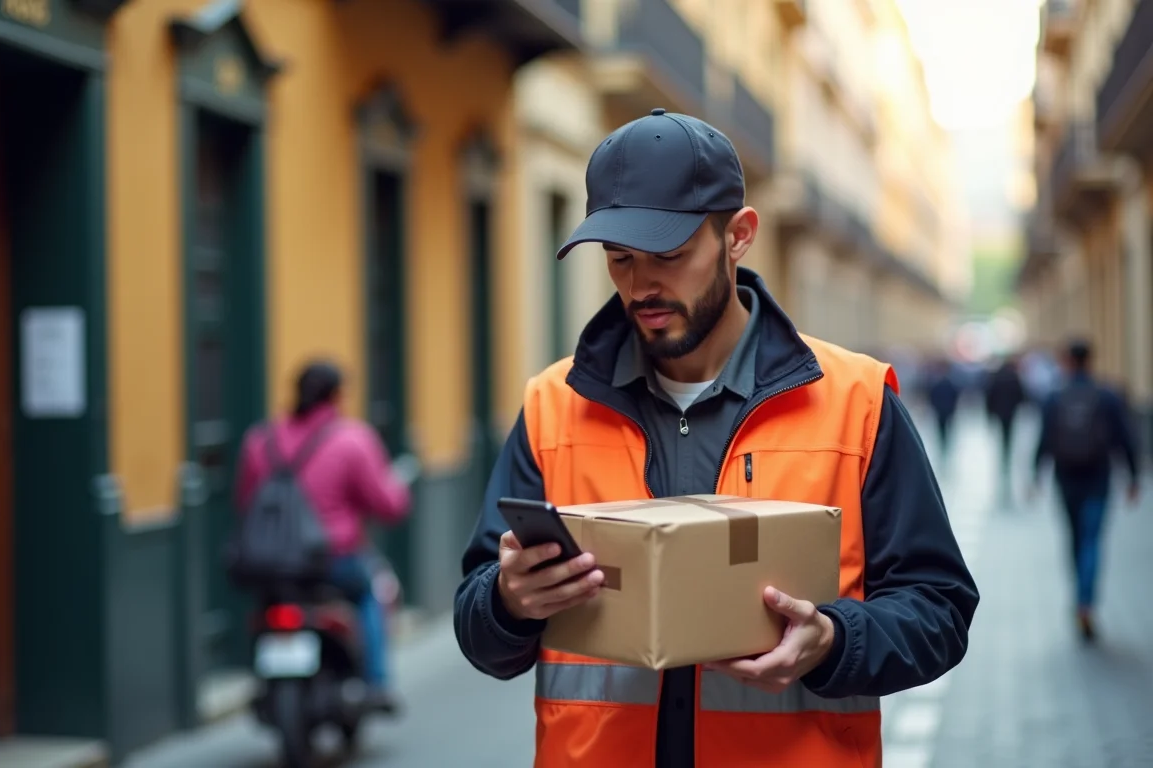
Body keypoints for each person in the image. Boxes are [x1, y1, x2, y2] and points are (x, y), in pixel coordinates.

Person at [453, 109, 979, 768]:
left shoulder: (859, 402)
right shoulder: (551, 406)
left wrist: (833, 641)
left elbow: (939, 610)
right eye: (620, 259)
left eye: (669, 256)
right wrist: (507, 603)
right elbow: (479, 626)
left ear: (739, 236)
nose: (641, 285)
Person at [234, 360, 414, 712]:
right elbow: (389, 504)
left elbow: (244, 500)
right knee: (374, 589)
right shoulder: (352, 440)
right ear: (336, 396)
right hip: (332, 560)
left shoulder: (260, 440)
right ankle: (376, 682)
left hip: (270, 566)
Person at [1030, 339, 1140, 641]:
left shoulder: (1054, 397)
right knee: (1092, 540)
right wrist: (1133, 477)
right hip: (1098, 479)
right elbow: (1126, 438)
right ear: (1090, 360)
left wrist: (1036, 474)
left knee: (1075, 539)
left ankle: (1078, 596)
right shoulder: (1107, 396)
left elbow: (1044, 438)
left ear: (1067, 361)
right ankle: (1085, 603)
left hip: (1066, 480)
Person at [984, 354, 1026, 494]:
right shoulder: (1014, 377)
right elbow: (1020, 394)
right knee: (1008, 432)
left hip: (1000, 411)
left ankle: (1004, 452)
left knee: (1003, 432)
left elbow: (990, 395)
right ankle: (1006, 451)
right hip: (1010, 412)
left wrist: (989, 412)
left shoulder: (996, 377)